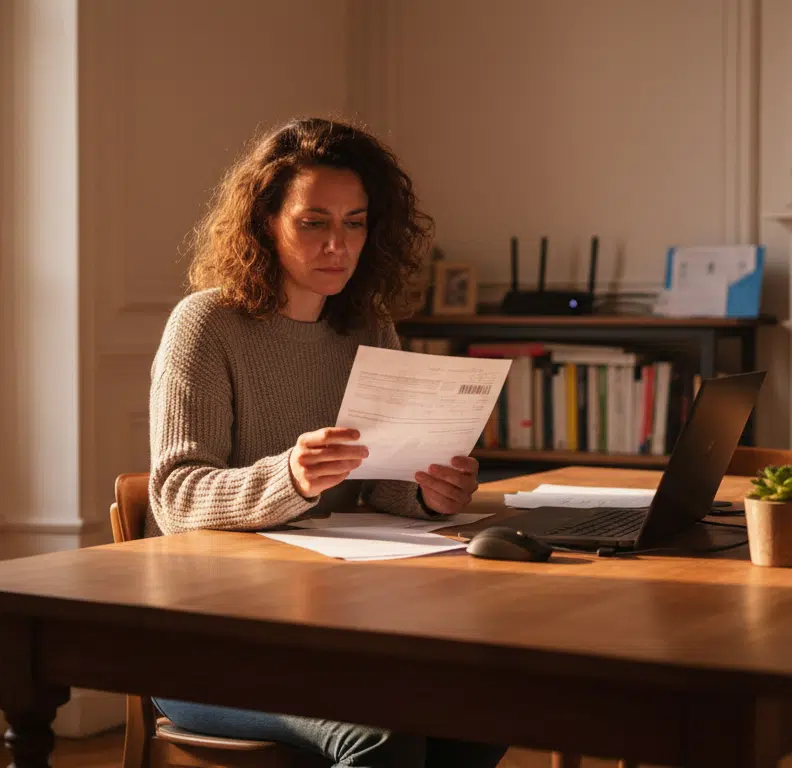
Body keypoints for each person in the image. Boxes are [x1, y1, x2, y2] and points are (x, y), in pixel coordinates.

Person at [145, 116, 507, 768]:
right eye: (314, 222)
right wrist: (291, 477)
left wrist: (429, 493)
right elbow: (174, 497)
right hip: (213, 642)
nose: (337, 244)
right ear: (265, 222)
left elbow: (382, 485)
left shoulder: (367, 326)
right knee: (382, 735)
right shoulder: (205, 325)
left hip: (342, 627)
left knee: (484, 706)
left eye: (356, 222)